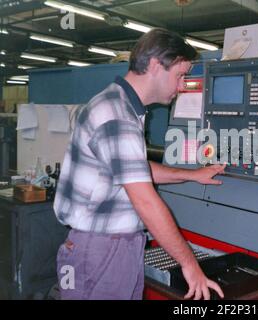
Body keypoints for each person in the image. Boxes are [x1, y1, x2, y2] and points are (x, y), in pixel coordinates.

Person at [53, 28, 225, 300]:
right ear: (156, 65)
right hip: (100, 253)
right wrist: (189, 264)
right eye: (180, 75)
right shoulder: (116, 116)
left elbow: (135, 169)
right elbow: (146, 201)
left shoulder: (122, 107)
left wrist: (192, 175)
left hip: (115, 248)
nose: (182, 87)